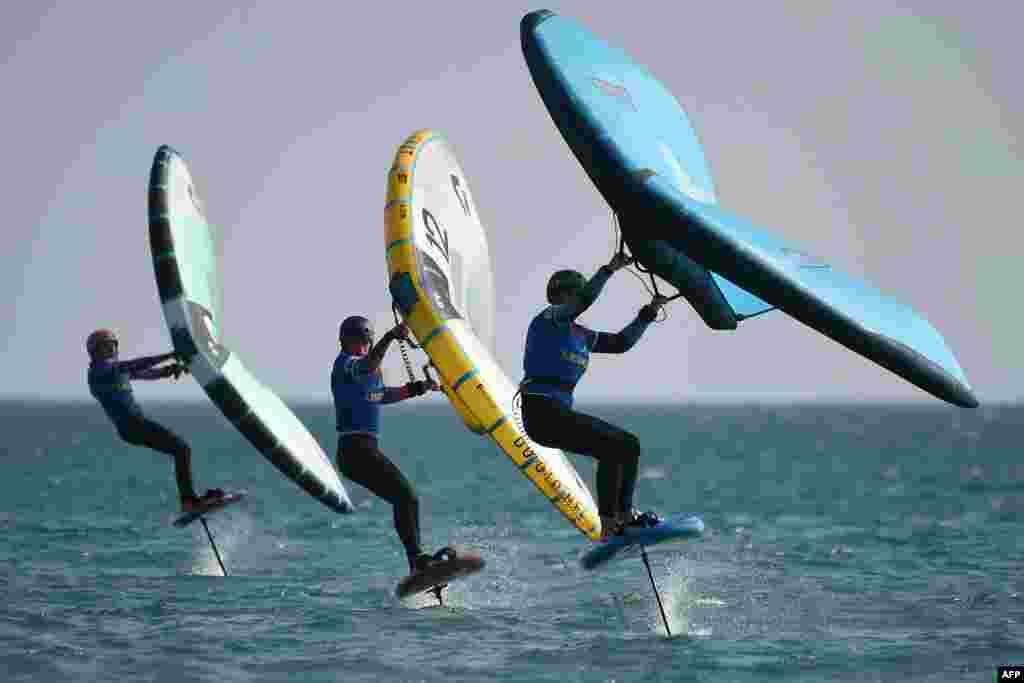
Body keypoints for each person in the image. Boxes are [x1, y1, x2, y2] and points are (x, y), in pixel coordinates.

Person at [520, 253, 666, 540]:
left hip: (557, 414)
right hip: (541, 411)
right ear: (561, 295)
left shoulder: (581, 335)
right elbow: (585, 300)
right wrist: (609, 269)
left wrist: (648, 313)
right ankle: (615, 522)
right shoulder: (549, 319)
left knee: (624, 447)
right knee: (616, 445)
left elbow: (621, 343)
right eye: (574, 294)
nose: (578, 299)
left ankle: (619, 521)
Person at [331, 315, 445, 576]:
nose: (361, 346)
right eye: (356, 341)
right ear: (344, 342)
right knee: (407, 497)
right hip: (354, 450)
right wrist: (391, 336)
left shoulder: (366, 372)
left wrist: (416, 388)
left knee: (403, 498)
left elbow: (380, 396)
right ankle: (417, 561)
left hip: (362, 450)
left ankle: (416, 562)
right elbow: (368, 364)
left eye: (365, 342)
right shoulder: (346, 365)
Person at [85, 329, 221, 513]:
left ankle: (189, 500)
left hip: (134, 426)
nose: (111, 349)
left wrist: (170, 370)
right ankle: (189, 501)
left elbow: (147, 373)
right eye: (106, 346)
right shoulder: (98, 372)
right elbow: (137, 364)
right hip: (133, 426)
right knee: (182, 449)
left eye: (113, 345)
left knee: (180, 450)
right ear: (95, 352)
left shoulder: (117, 370)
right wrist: (170, 354)